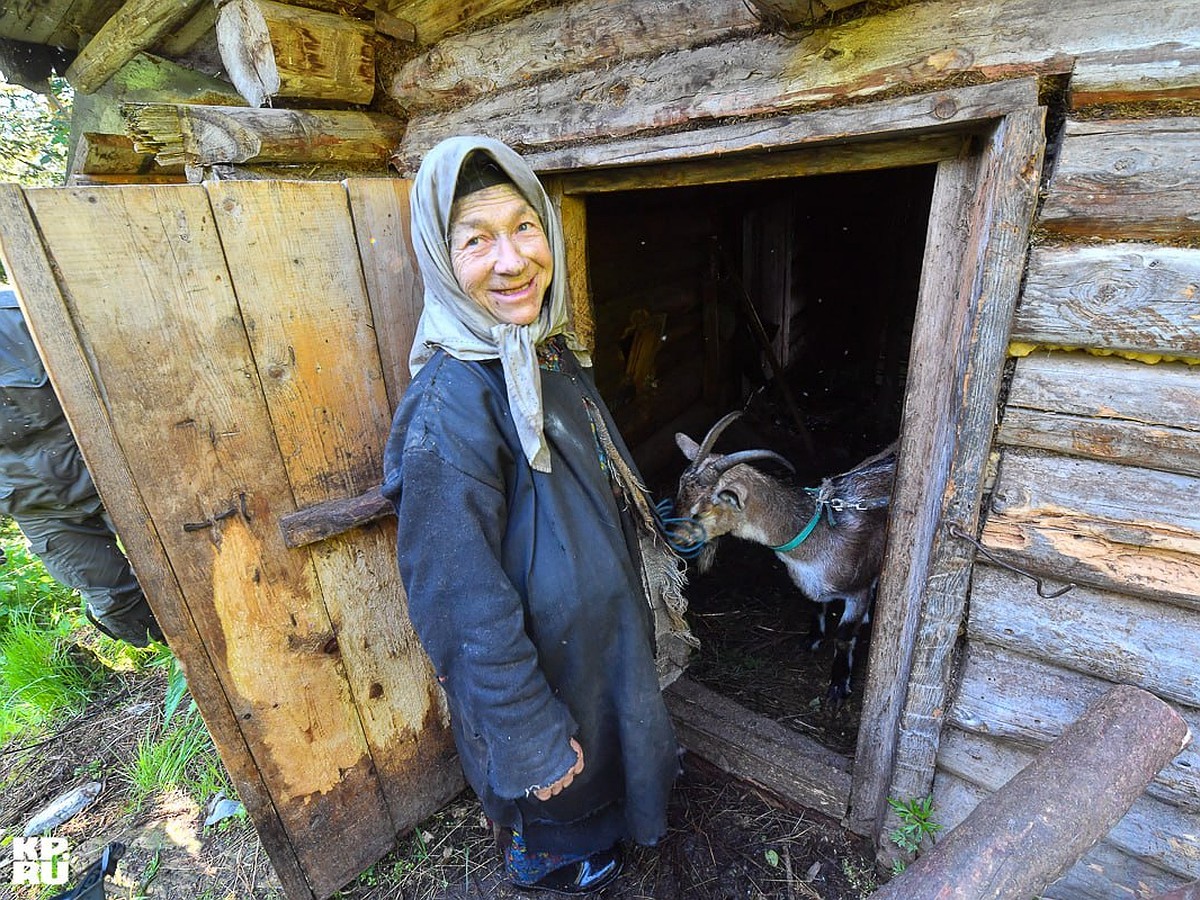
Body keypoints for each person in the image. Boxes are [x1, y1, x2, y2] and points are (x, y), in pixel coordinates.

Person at [382, 136, 696, 894]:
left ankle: (595, 833)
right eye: (477, 240)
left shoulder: (546, 353)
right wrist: (527, 735)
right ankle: (542, 858)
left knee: (607, 757)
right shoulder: (450, 406)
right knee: (554, 794)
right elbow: (459, 601)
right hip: (543, 666)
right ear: (439, 257)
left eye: (524, 227)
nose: (513, 260)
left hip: (590, 644)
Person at [1, 287, 163, 647]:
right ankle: (193, 666)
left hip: (110, 474)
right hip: (37, 508)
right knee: (116, 605)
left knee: (186, 568)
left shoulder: (20, 313)